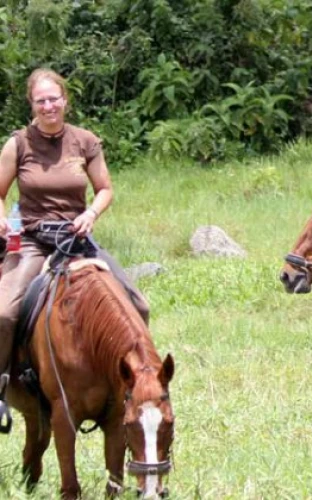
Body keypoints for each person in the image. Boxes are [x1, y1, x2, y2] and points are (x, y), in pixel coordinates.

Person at [0, 68, 151, 411]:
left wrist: (90, 215)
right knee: (4, 313)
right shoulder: (18, 143)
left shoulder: (85, 141)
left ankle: (138, 382)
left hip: (76, 238)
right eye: (41, 101)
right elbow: (0, 192)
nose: (49, 106)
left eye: (54, 99)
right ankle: (2, 389)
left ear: (65, 101)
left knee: (139, 305)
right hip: (34, 239)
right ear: (32, 105)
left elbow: (105, 189)